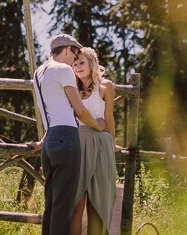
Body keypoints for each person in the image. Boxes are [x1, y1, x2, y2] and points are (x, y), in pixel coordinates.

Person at [32, 34, 107, 235]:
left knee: (51, 201)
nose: (74, 61)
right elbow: (79, 110)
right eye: (74, 55)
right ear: (67, 49)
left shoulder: (38, 72)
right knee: (63, 204)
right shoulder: (63, 69)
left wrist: (43, 141)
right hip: (67, 139)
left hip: (50, 142)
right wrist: (98, 125)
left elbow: (48, 111)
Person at [70, 47, 117, 235]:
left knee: (97, 201)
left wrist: (112, 145)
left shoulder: (106, 86)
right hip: (79, 144)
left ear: (91, 63)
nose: (77, 66)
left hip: (101, 145)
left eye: (81, 62)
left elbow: (109, 118)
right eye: (74, 64)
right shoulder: (71, 89)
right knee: (76, 202)